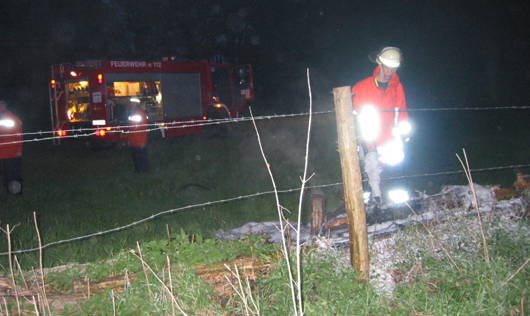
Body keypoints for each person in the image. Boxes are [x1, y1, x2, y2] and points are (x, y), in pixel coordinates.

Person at [352, 47, 410, 205]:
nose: (390, 72)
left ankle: (401, 209)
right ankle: (364, 209)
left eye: (394, 68)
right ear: (380, 65)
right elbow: (351, 118)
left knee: (396, 178)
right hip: (367, 142)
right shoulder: (361, 87)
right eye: (388, 67)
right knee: (366, 179)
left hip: (391, 142)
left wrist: (403, 135)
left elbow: (402, 113)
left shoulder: (398, 87)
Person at [0, 100, 23, 195]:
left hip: (12, 152)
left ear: (4, 107)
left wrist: (19, 151)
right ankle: (8, 192)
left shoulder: (13, 119)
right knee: (5, 174)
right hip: (2, 153)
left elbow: (19, 135)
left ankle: (17, 193)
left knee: (14, 174)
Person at [127, 97, 149, 173]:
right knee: (135, 158)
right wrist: (129, 140)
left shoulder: (142, 113)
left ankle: (144, 171)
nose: (132, 104)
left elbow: (144, 128)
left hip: (139, 141)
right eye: (131, 103)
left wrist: (143, 142)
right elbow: (130, 128)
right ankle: (138, 171)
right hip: (133, 141)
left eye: (133, 103)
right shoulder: (132, 113)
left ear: (137, 104)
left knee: (142, 157)